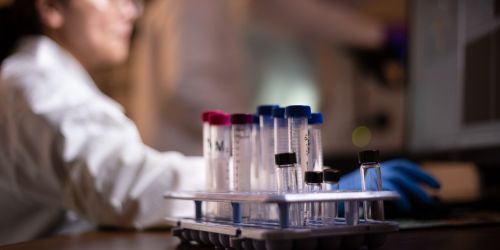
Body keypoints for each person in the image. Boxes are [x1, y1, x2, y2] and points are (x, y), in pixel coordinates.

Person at [0, 0, 205, 245]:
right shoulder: (40, 84)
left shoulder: (46, 76)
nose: (131, 11)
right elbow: (124, 189)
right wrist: (242, 178)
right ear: (51, 8)